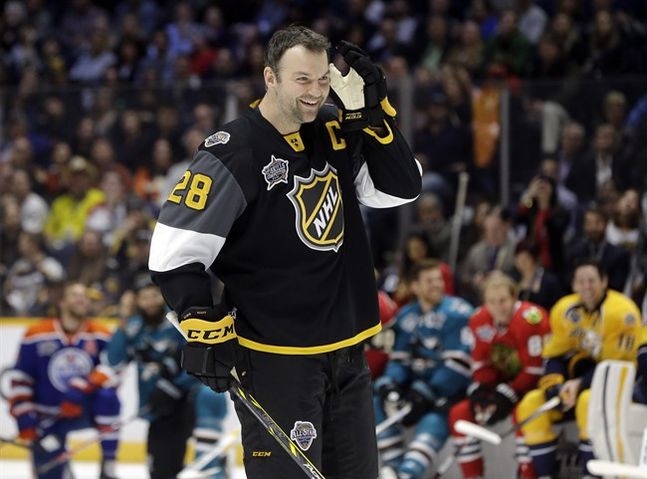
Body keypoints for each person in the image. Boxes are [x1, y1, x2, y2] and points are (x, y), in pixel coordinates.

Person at [148, 25, 421, 479]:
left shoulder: (335, 129)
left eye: (321, 80)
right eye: (301, 80)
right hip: (275, 363)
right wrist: (200, 321)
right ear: (270, 77)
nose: (315, 92)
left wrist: (374, 118)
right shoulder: (233, 151)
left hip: (348, 354)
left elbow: (401, 189)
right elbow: (173, 253)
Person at [517, 259, 642, 478]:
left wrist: (579, 383)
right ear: (574, 285)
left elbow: (616, 365)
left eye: (592, 281)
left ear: (604, 282)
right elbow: (555, 353)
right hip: (580, 383)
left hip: (619, 384)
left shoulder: (623, 312)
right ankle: (545, 474)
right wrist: (554, 384)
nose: (586, 287)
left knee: (587, 402)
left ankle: (589, 474)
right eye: (581, 281)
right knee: (531, 404)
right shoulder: (565, 310)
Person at [104, 280, 228, 479]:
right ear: (137, 301)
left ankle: (211, 466)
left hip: (186, 400)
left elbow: (198, 359)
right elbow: (114, 361)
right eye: (145, 298)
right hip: (159, 409)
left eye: (154, 296)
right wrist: (123, 320)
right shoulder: (133, 327)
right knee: (161, 473)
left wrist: (173, 387)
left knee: (211, 395)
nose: (151, 302)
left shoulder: (178, 321)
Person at [6, 282, 121, 479]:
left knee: (108, 398)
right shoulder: (36, 334)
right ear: (61, 302)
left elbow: (113, 369)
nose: (82, 299)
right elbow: (20, 377)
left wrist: (82, 388)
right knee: (49, 472)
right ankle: (61, 468)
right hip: (48, 417)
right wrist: (24, 415)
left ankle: (108, 463)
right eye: (75, 295)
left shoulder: (100, 333)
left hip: (83, 409)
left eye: (85, 296)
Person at [374, 259, 473, 479]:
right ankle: (393, 468)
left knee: (434, 418)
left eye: (439, 279)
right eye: (429, 281)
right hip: (415, 389)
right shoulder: (406, 315)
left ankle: (408, 473)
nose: (437, 284)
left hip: (446, 393)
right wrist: (392, 385)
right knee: (378, 398)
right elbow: (399, 358)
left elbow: (459, 365)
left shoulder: (458, 312)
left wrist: (424, 390)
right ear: (414, 286)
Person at [448, 273, 551, 479]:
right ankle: (472, 476)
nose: (498, 307)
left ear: (514, 298)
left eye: (503, 300)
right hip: (501, 387)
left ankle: (527, 474)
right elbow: (480, 363)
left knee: (522, 413)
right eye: (492, 302)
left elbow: (534, 370)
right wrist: (484, 391)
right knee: (460, 413)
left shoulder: (531, 318)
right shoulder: (479, 320)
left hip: (532, 388)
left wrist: (508, 393)